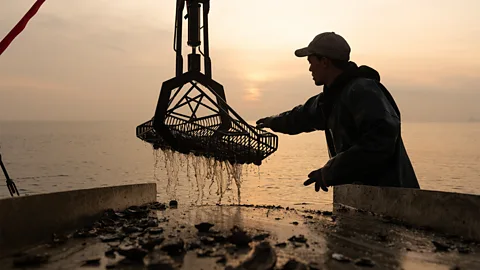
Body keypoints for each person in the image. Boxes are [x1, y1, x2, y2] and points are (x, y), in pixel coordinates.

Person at [256, 32, 420, 192]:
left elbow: (381, 139)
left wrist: (330, 171)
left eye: (311, 62)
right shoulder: (330, 100)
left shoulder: (363, 90)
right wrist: (271, 121)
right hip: (363, 197)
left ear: (325, 61)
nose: (310, 69)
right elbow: (301, 116)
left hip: (395, 196)